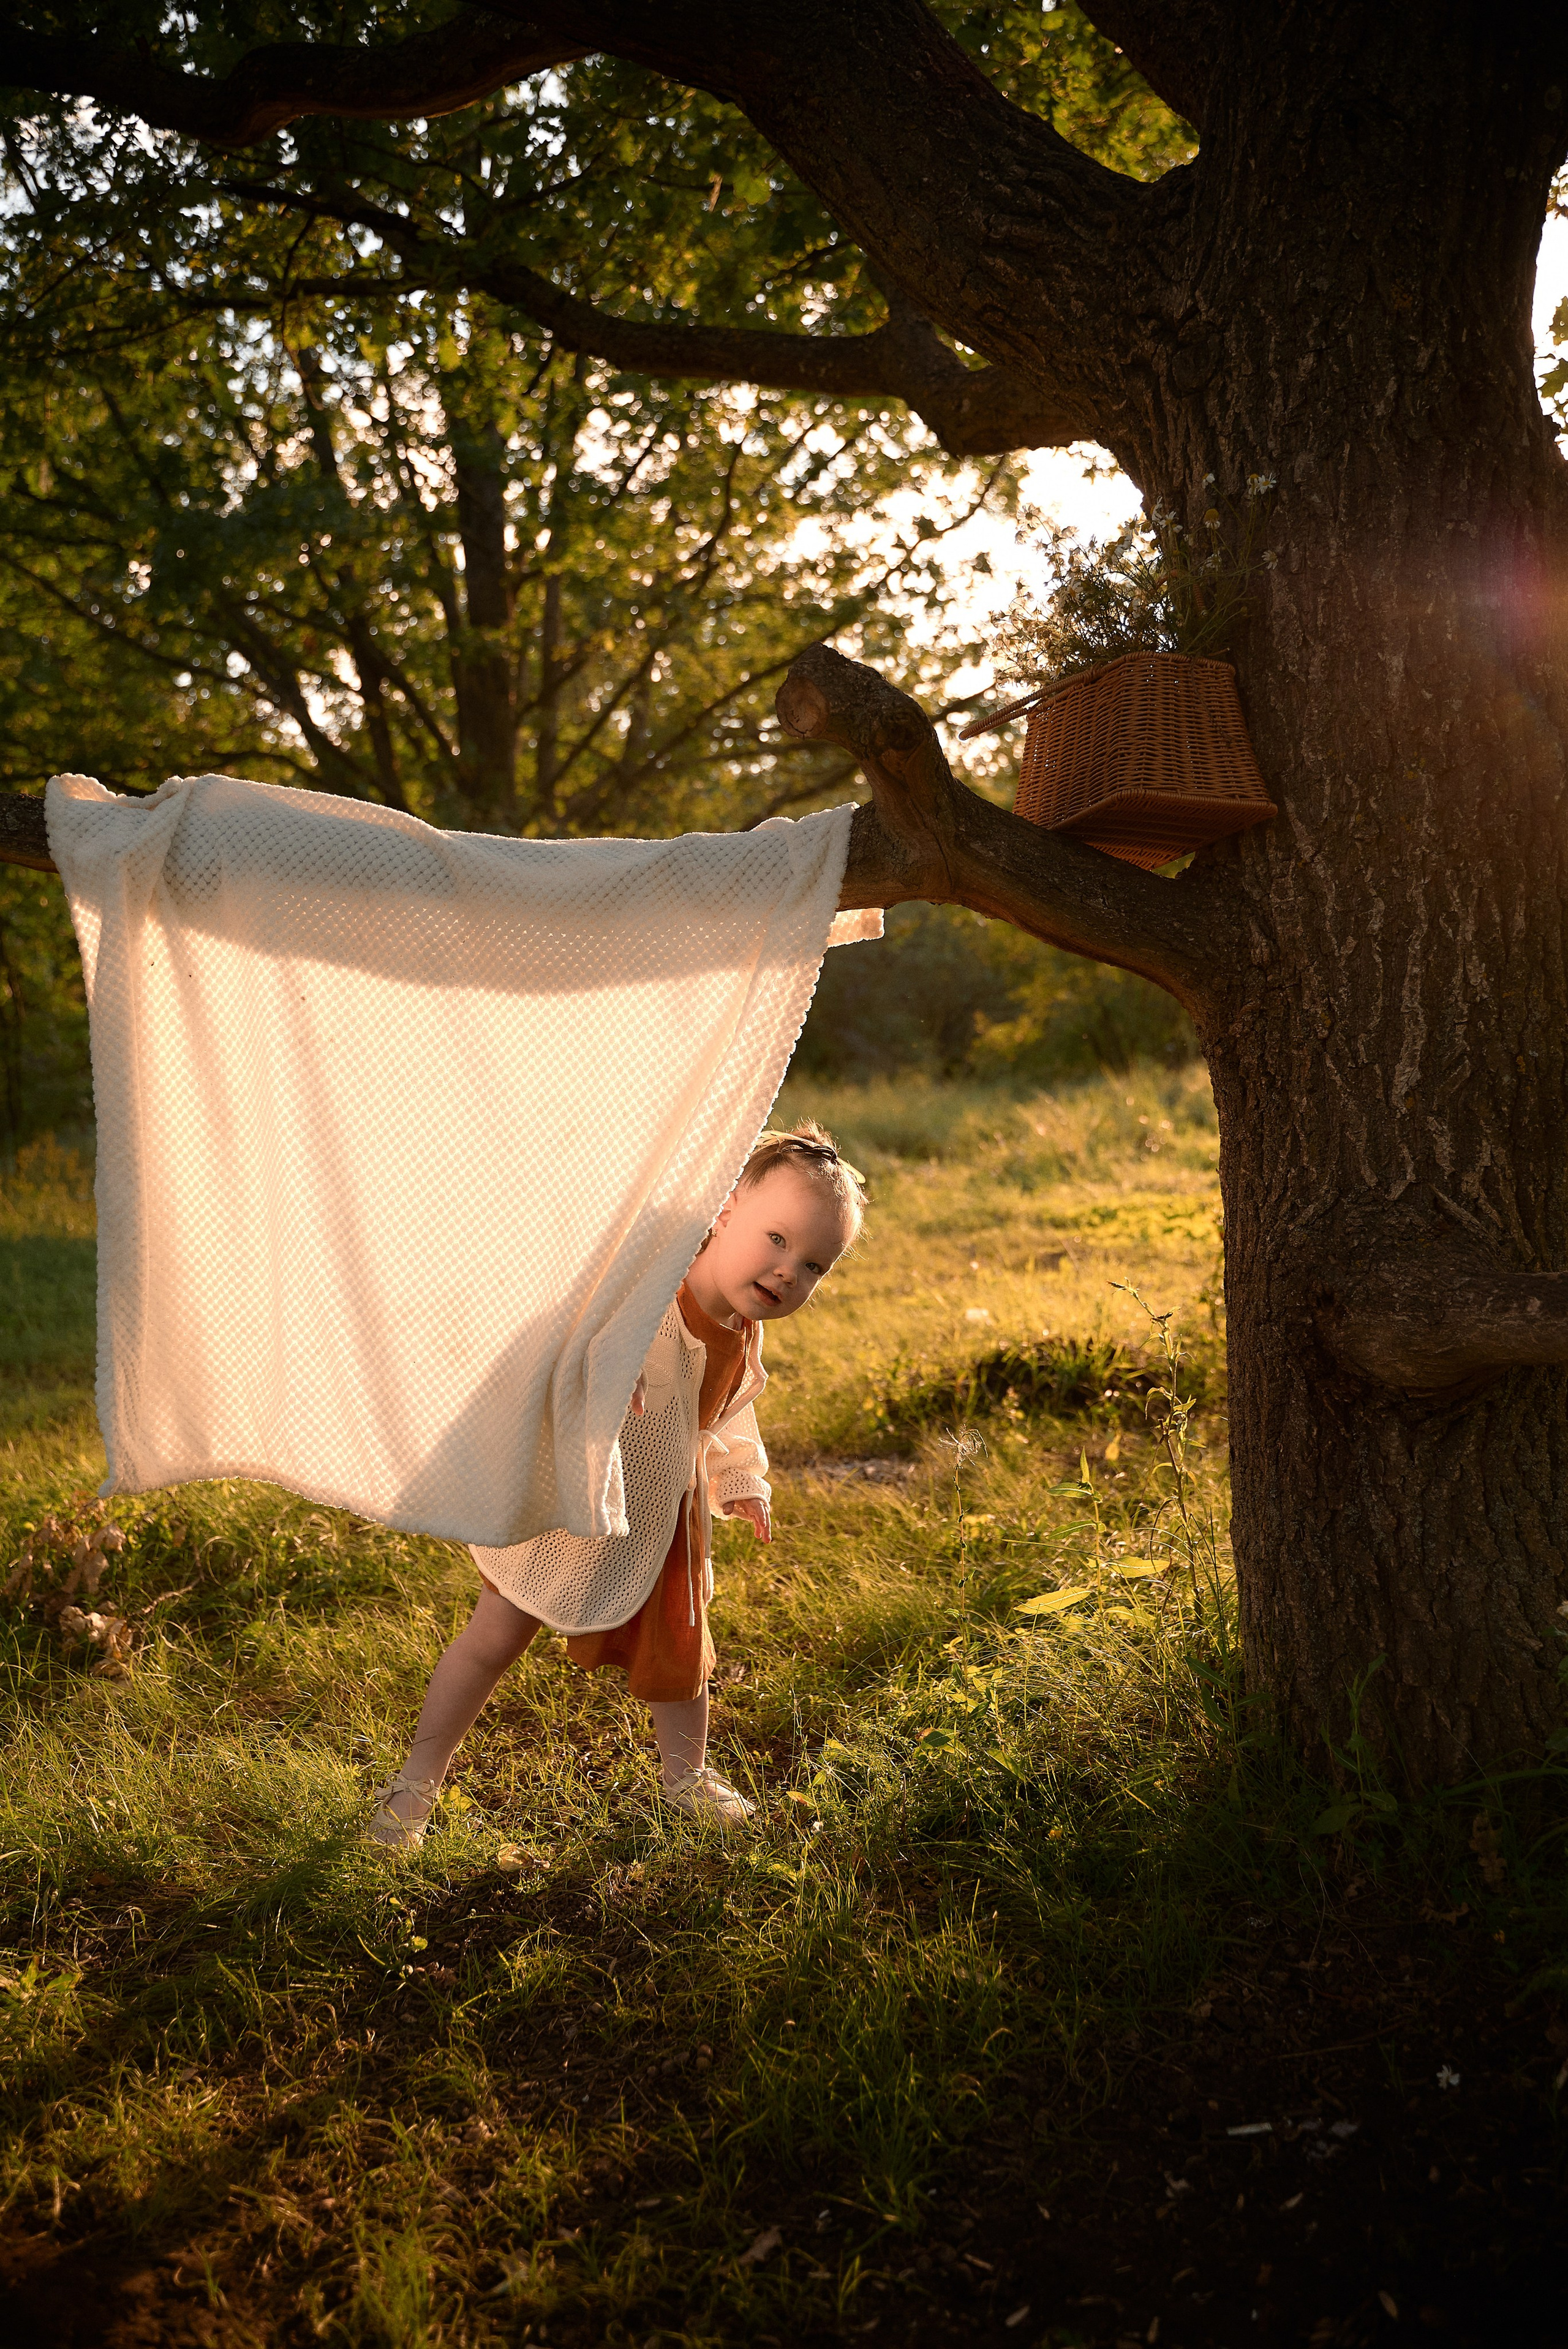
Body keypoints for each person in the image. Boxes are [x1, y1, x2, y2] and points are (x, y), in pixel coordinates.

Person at [368, 1122, 865, 1847]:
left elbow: (725, 1413)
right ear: (724, 1211)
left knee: (685, 1652)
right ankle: (414, 1784)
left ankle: (685, 1777)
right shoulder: (643, 1293)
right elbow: (565, 1331)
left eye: (816, 1264)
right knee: (493, 1638)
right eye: (778, 1239)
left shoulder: (742, 1331)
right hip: (573, 1501)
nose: (790, 1271)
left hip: (663, 1516)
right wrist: (608, 1360)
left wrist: (739, 1478)